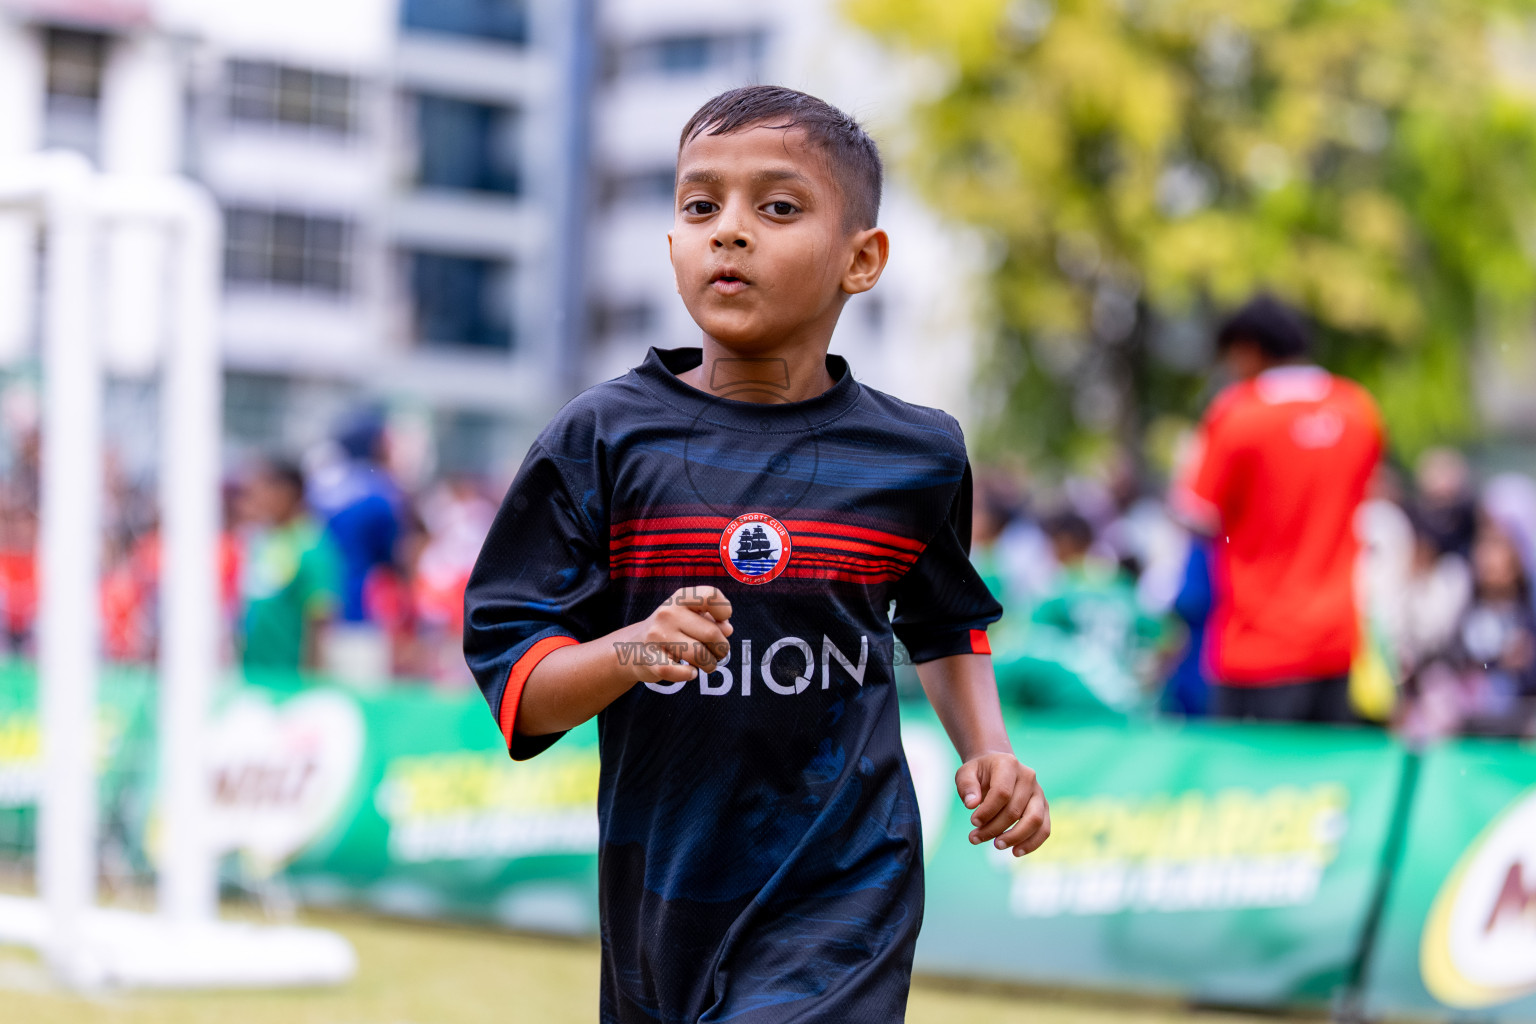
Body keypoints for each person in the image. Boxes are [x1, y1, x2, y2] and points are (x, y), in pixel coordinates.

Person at [463, 86, 1049, 1023]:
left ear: (862, 260)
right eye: (701, 206)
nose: (729, 232)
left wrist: (993, 754)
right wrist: (632, 652)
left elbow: (944, 624)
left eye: (777, 207)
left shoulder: (919, 454)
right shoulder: (602, 440)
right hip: (664, 886)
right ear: (671, 246)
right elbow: (518, 682)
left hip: (849, 879)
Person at [1171, 293, 1383, 722]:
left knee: (1256, 786)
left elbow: (1196, 513)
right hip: (1337, 641)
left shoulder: (1237, 415)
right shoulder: (1359, 410)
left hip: (1257, 646)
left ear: (1247, 350)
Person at [236, 459, 341, 674]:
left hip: (289, 678)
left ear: (287, 492)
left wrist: (311, 684)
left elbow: (319, 620)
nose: (256, 499)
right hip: (253, 674)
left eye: (262, 490)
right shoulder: (261, 540)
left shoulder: (310, 545)